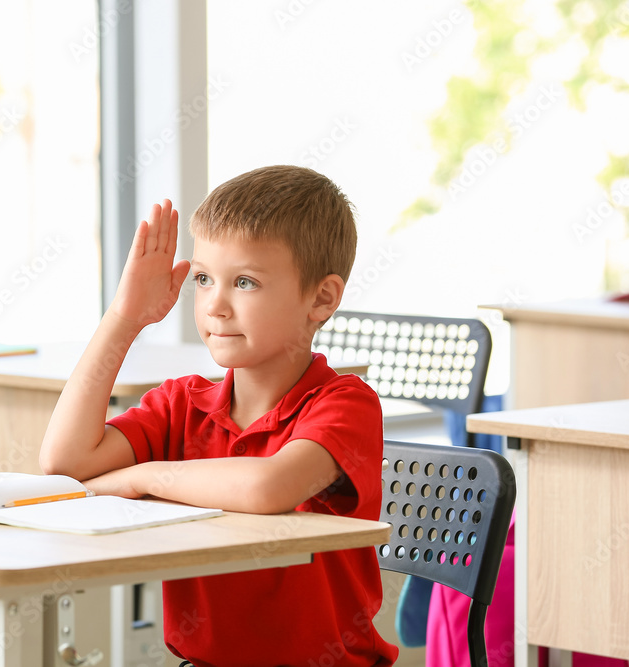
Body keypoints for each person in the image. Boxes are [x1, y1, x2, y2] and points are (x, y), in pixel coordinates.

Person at [39, 165, 399, 667]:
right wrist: (125, 318)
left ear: (321, 298)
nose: (215, 306)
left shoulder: (344, 403)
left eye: (245, 282)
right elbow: (64, 464)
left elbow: (266, 488)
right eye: (204, 279)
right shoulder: (182, 403)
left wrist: (144, 476)